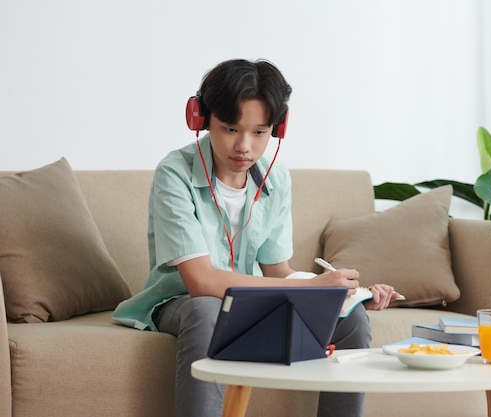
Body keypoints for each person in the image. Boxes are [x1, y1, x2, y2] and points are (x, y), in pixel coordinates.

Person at [112, 58, 400, 417]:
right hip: (182, 301)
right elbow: (200, 282)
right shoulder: (175, 173)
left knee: (352, 320)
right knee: (208, 310)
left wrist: (341, 295)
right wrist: (312, 289)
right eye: (231, 129)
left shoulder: (275, 178)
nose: (244, 146)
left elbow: (277, 271)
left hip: (250, 302)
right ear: (200, 119)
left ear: (276, 129)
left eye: (259, 132)